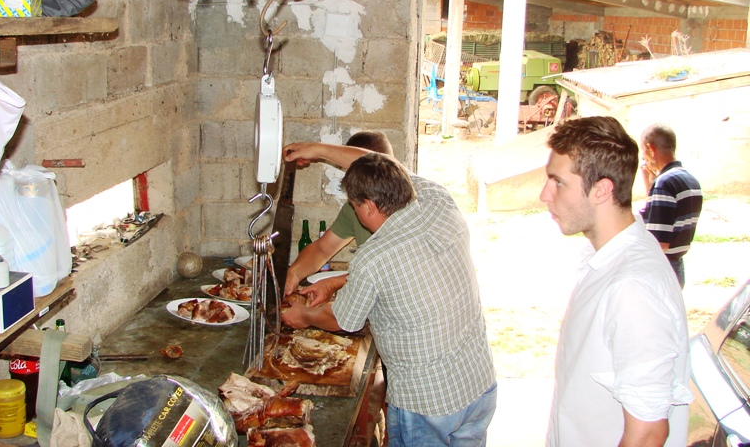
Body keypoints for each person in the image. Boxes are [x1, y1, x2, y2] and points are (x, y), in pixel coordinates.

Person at [281, 150, 497, 447]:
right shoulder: (437, 199)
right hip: (477, 384)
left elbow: (342, 319)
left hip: (426, 404)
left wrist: (301, 316)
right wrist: (316, 149)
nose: (354, 212)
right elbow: (386, 163)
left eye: (355, 206)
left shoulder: (375, 256)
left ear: (368, 206)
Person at [540, 116, 692, 447]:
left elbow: (648, 433)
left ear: (602, 189)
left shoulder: (632, 287)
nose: (544, 195)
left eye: (558, 182)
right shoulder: (607, 256)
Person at [284, 131, 394, 305]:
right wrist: (293, 274)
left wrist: (335, 283)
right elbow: (322, 249)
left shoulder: (409, 209)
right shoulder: (354, 208)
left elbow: (388, 274)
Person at [639, 123, 703, 288]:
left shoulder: (664, 183)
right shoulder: (689, 179)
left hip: (663, 269)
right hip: (677, 266)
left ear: (651, 149)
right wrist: (650, 185)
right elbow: (666, 217)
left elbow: (660, 242)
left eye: (644, 153)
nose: (644, 159)